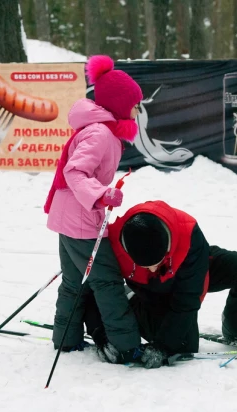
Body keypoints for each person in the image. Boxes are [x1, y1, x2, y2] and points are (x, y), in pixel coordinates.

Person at [43, 55, 145, 363]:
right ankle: (127, 347)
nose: (137, 110)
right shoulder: (100, 133)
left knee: (74, 283)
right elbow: (76, 172)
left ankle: (66, 339)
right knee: (107, 281)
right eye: (133, 103)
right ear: (118, 103)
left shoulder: (101, 129)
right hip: (79, 219)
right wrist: (102, 195)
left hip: (70, 216)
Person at [101, 199, 237, 368]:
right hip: (152, 293)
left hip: (187, 275)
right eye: (145, 266)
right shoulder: (111, 241)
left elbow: (187, 299)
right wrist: (100, 333)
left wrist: (163, 346)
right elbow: (95, 288)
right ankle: (130, 301)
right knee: (183, 346)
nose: (152, 269)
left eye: (156, 262)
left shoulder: (187, 231)